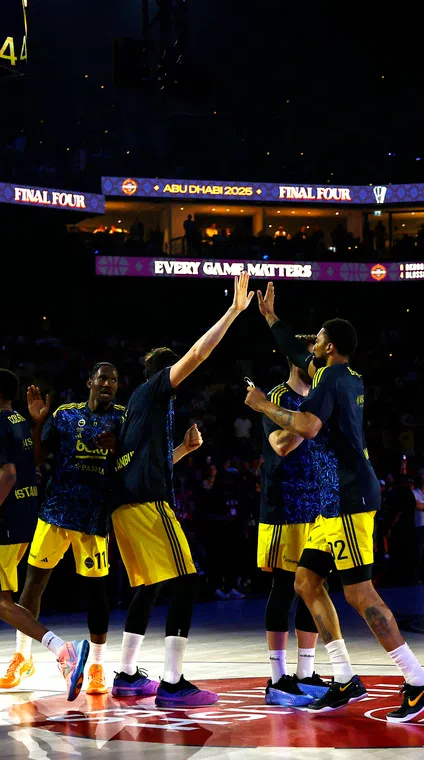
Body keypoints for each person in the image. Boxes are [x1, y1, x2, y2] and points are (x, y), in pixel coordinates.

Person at [246, 283, 424, 721]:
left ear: (329, 346)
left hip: (349, 496)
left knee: (360, 594)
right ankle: (344, 677)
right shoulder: (342, 375)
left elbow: (307, 426)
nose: (311, 346)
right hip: (331, 501)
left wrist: (262, 406)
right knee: (305, 582)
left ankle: (418, 680)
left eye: (317, 339)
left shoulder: (331, 378)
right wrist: (270, 317)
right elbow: (297, 355)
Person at [111, 272, 255, 708]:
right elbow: (197, 353)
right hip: (147, 505)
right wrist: (233, 312)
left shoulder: (138, 409)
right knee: (187, 582)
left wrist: (184, 450)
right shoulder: (156, 390)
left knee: (149, 587)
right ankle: (173, 684)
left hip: (124, 506)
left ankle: (127, 676)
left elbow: (143, 464)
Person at [0, 369, 90, 703]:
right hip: (23, 516)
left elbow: (7, 476)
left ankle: (63, 650)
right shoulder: (18, 421)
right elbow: (3, 451)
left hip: (2, 522)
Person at [0, 362, 124, 695]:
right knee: (33, 585)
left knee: (96, 592)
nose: (108, 384)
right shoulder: (66, 414)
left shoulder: (123, 418)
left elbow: (131, 462)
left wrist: (118, 448)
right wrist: (38, 422)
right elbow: (36, 457)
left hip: (94, 517)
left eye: (113, 380)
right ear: (90, 382)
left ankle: (97, 665)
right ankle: (22, 657)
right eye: (103, 378)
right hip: (55, 511)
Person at [255, 337, 331, 707]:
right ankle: (277, 678)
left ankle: (305, 672)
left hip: (318, 507)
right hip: (284, 507)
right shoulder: (276, 397)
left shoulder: (321, 397)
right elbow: (281, 445)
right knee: (284, 588)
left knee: (313, 586)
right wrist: (309, 421)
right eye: (311, 355)